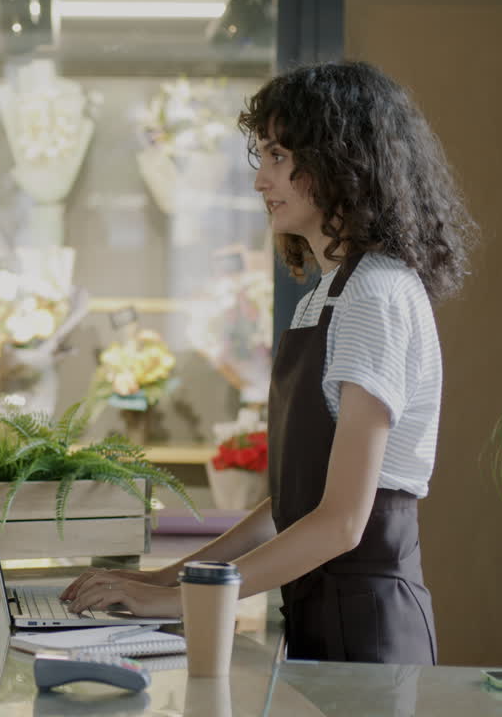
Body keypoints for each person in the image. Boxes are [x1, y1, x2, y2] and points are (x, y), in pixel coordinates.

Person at [62, 61, 475, 666]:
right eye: (263, 156)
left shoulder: (375, 295)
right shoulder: (326, 295)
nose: (262, 181)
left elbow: (340, 523)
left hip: (370, 628)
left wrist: (176, 598)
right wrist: (167, 579)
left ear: (341, 160)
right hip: (318, 614)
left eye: (279, 156)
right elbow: (292, 507)